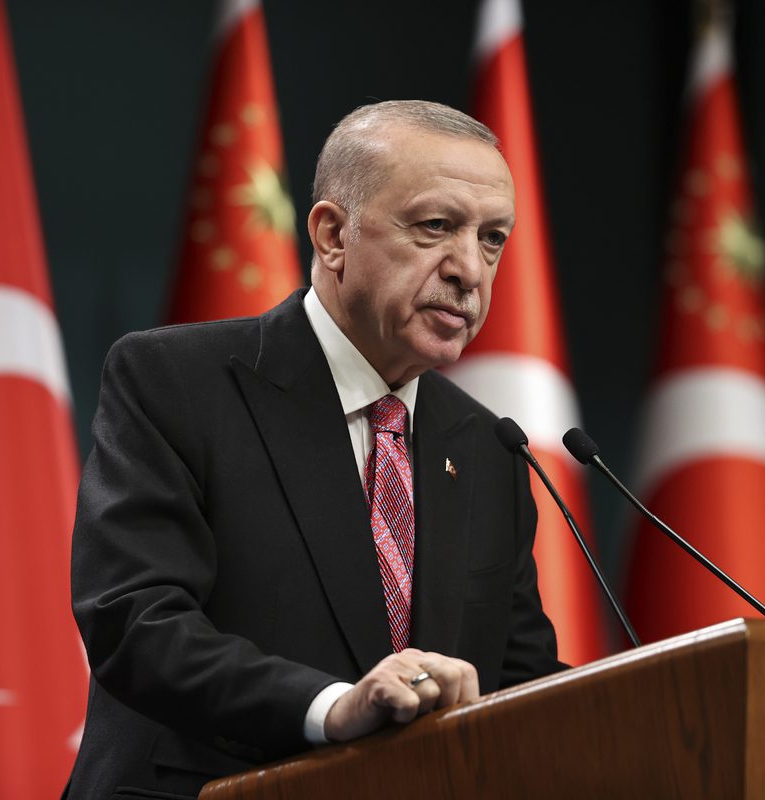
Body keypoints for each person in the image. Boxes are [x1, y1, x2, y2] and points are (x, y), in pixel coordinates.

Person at [65, 100, 564, 799]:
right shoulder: (177, 382)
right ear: (333, 235)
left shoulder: (487, 446)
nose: (469, 270)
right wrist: (334, 707)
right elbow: (135, 623)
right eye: (435, 227)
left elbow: (524, 684)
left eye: (492, 239)